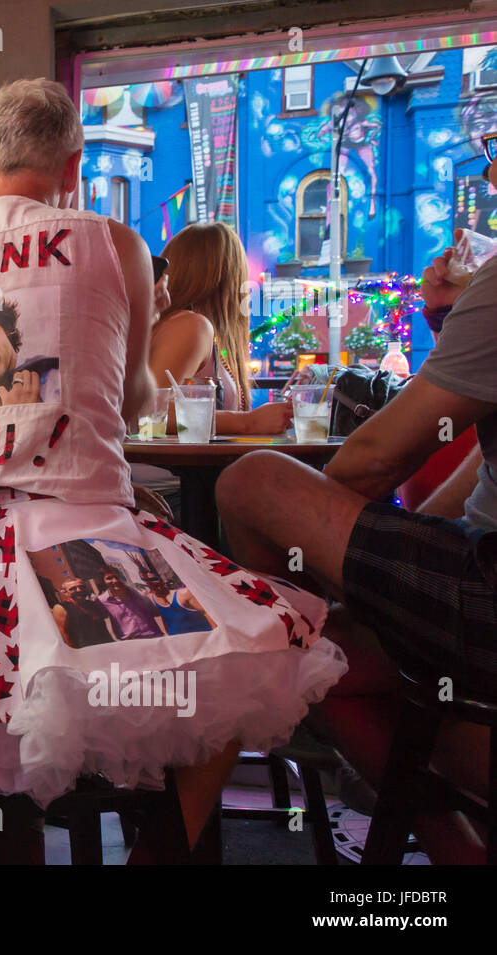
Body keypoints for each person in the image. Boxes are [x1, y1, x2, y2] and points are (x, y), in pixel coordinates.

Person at [0, 78, 346, 861]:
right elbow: (134, 399)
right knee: (247, 656)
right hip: (85, 555)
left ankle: (10, 846)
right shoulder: (115, 243)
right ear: (73, 167)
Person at [215, 192, 497, 860]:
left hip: (485, 593)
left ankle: (277, 683)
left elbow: (375, 461)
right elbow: (475, 470)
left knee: (253, 483)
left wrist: (330, 545)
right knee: (316, 662)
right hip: (472, 580)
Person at [151, 223, 293, 434]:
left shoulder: (186, 326)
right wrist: (249, 422)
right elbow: (152, 413)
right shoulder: (192, 326)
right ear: (229, 276)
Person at [97, 566, 165, 639]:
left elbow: (157, 611)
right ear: (103, 581)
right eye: (109, 578)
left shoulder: (139, 592)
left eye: (116, 577)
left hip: (153, 636)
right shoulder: (101, 601)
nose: (115, 580)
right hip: (131, 642)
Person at [51, 576, 117, 648]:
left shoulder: (92, 604)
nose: (79, 590)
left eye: (81, 587)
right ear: (65, 592)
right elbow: (64, 634)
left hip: (107, 646)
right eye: (73, 589)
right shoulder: (61, 608)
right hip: (85, 650)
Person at [142, 572, 214, 635]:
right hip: (179, 641)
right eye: (146, 581)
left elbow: (208, 612)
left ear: (161, 579)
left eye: (153, 579)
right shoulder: (151, 599)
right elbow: (164, 616)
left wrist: (218, 636)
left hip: (203, 638)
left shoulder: (184, 594)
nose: (151, 583)